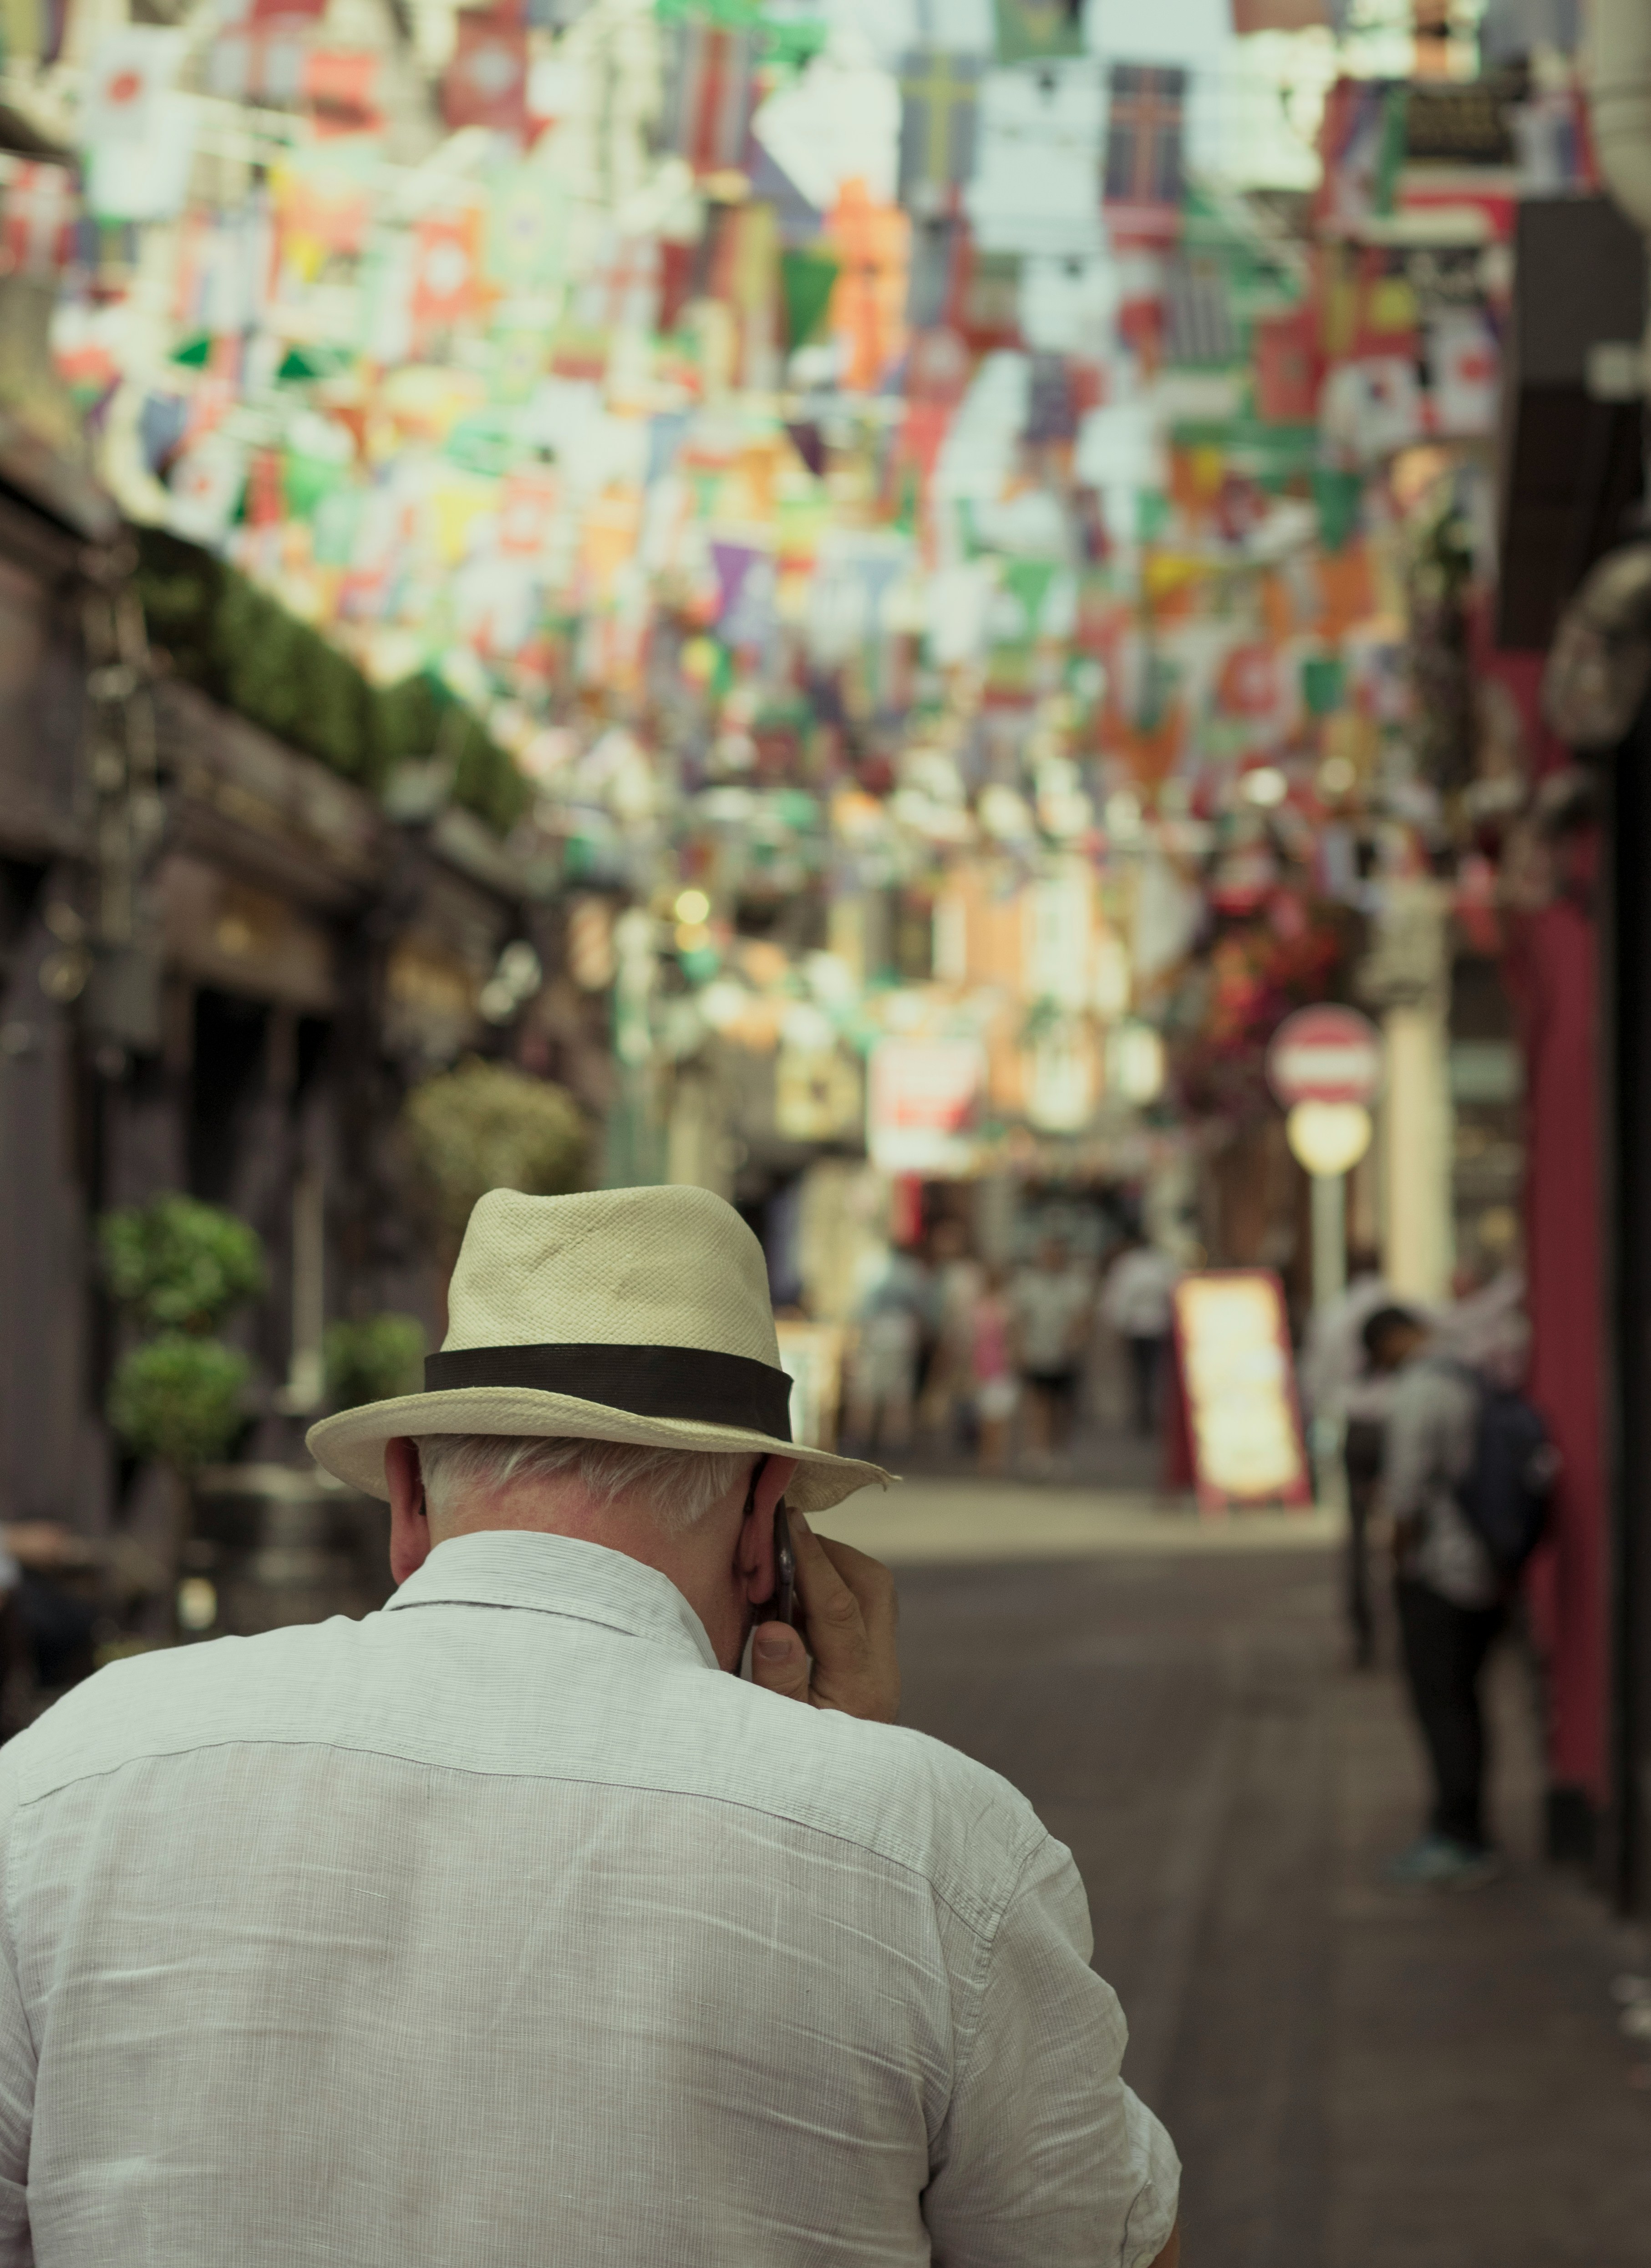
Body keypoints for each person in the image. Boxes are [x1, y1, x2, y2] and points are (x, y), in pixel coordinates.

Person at [0, 1185, 1182, 2267]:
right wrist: (852, 1759)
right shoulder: (931, 1849)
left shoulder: (67, 1776)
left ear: (407, 1495)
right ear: (763, 1517)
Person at [1364, 1302, 1506, 1890]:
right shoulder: (1470, 1374)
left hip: (1439, 1571)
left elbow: (1405, 1492)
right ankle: (1468, 1828)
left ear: (1394, 1340)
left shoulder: (1420, 1390)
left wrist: (1397, 1563)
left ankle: (1457, 1836)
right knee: (1465, 1700)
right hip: (1486, 1565)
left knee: (1439, 1704)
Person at [1297, 1249, 1402, 1668]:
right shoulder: (1399, 1308)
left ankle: (1363, 1632)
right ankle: (1404, 1622)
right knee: (1405, 1524)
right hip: (1396, 1423)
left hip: (1357, 1428)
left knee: (1358, 1536)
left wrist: (1324, 1418)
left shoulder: (1332, 1315)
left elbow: (1314, 1380)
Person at [1011, 1233, 1095, 1469]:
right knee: (1038, 1403)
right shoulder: (1028, 1282)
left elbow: (1084, 1316)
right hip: (1036, 1351)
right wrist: (1019, 1348)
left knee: (1062, 1407)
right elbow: (1020, 1318)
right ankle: (1037, 1451)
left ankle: (1059, 1452)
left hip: (1064, 1355)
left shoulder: (1074, 1284)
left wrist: (1076, 1339)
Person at [1101, 1235, 1182, 1438]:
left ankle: (1147, 1413)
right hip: (1147, 1327)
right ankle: (1147, 1413)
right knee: (1147, 1373)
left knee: (1146, 1374)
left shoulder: (1132, 1265)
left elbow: (1119, 1297)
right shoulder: (1156, 1264)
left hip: (1147, 1327)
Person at [970, 1264, 1019, 1473]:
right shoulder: (979, 1308)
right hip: (983, 1367)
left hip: (1001, 1367)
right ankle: (987, 1457)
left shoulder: (1006, 1307)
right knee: (986, 1417)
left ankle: (996, 1458)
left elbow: (1014, 1338)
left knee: (1000, 1415)